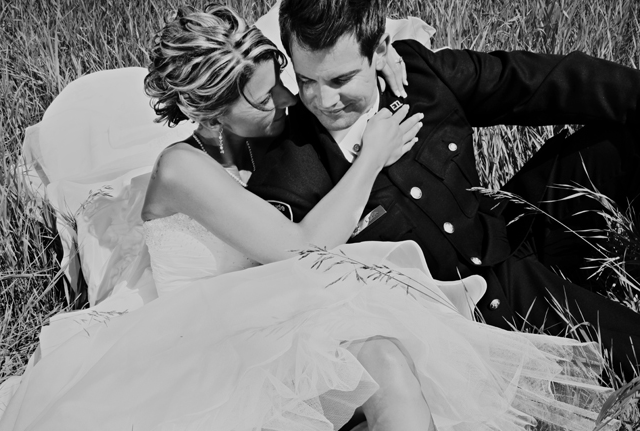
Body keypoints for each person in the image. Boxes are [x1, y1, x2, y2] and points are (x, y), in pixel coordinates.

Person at [0, 6, 615, 431]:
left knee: (386, 359)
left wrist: (386, 47)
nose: (285, 104)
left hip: (277, 332)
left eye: (278, 81)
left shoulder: (270, 119)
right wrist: (373, 155)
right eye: (264, 99)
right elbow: (300, 251)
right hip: (211, 367)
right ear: (211, 113)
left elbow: (326, 37)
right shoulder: (184, 170)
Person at [247, 0, 640, 380]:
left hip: (510, 231)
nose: (324, 100)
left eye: (341, 79)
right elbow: (285, 290)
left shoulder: (419, 73)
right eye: (305, 81)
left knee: (626, 130)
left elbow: (529, 82)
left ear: (380, 51)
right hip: (480, 317)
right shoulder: (290, 168)